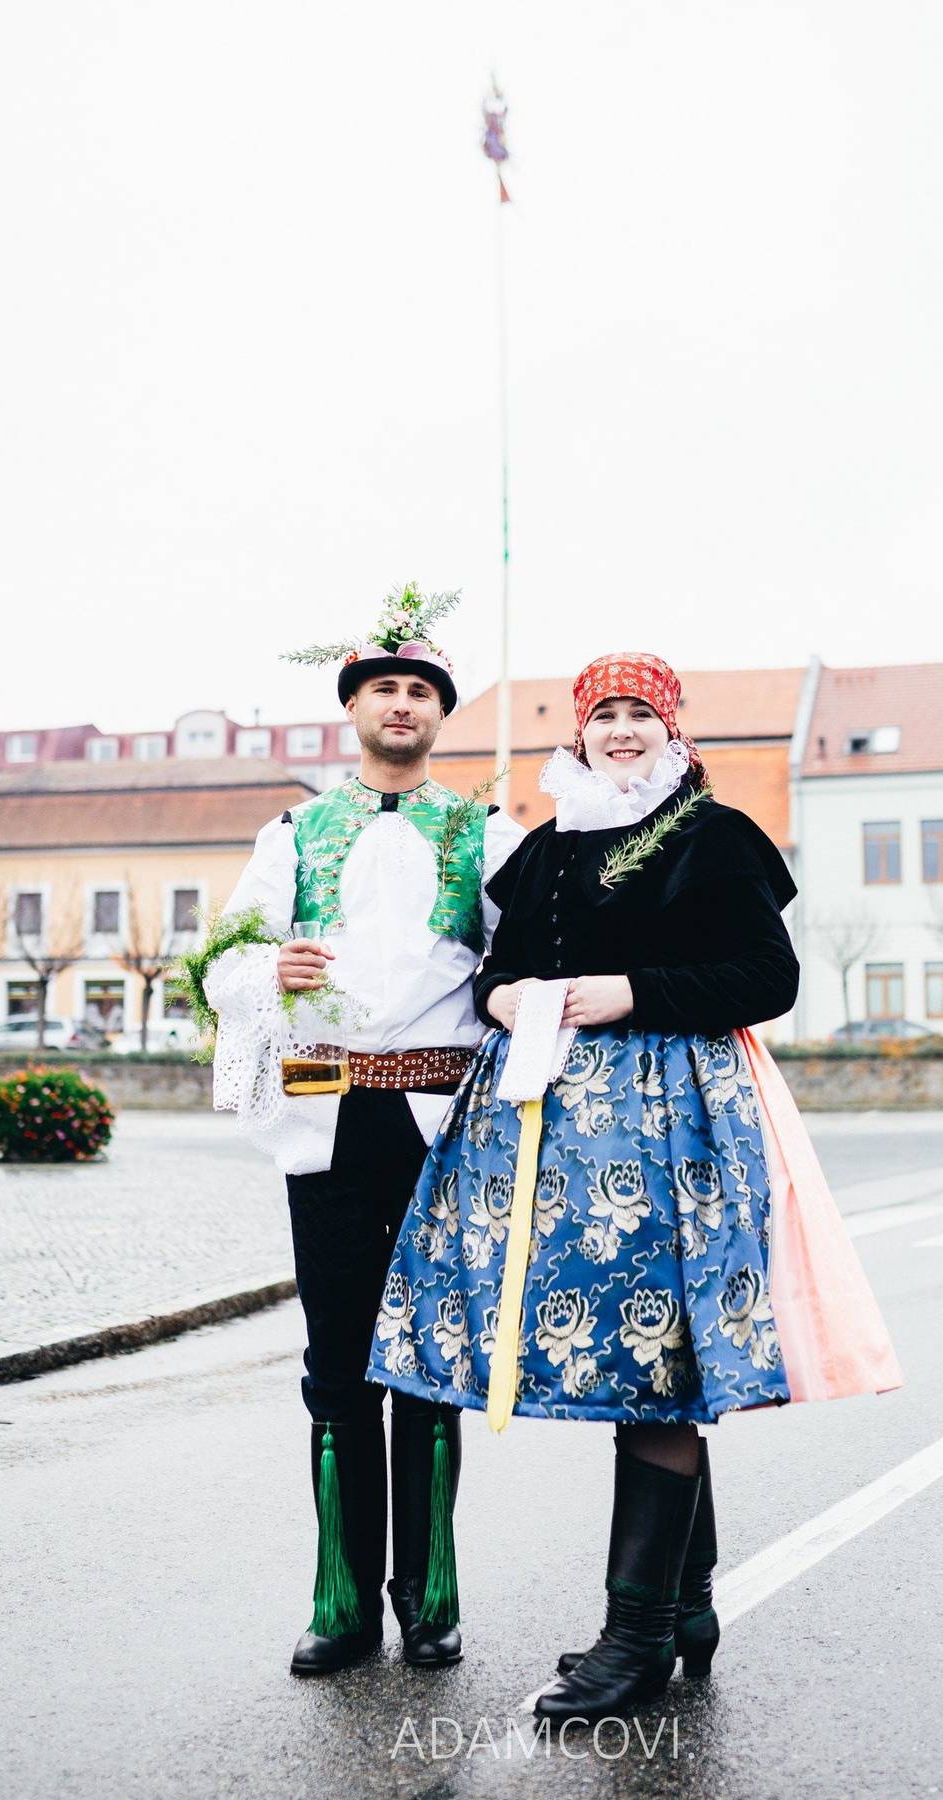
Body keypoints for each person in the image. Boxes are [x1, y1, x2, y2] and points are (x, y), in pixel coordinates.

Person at [366, 650, 902, 1722]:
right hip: (551, 1132)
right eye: (603, 714)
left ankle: (639, 1639)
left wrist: (631, 991)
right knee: (626, 1357)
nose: (621, 730)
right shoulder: (550, 845)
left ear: (670, 730)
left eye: (639, 715)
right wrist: (505, 996)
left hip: (673, 1124)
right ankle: (685, 1605)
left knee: (658, 1360)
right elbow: (498, 967)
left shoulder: (714, 835)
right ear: (580, 732)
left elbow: (770, 977)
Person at [202, 585, 523, 1676]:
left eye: (419, 691)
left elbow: (529, 958)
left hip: (440, 1129)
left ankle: (429, 1598)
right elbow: (221, 963)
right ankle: (341, 1604)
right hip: (326, 1120)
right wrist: (267, 966)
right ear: (353, 707)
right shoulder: (292, 834)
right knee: (337, 1367)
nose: (401, 704)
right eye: (383, 687)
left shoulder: (485, 833)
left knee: (429, 1364)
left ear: (440, 713)